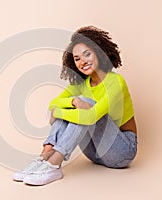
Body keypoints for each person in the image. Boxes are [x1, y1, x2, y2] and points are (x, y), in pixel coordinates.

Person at [13, 26, 138, 186]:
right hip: (94, 153)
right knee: (74, 104)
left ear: (99, 52)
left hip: (122, 152)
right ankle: (44, 157)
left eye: (87, 54)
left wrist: (58, 113)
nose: (83, 61)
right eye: (77, 58)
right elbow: (53, 104)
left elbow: (91, 116)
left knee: (88, 105)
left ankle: (54, 164)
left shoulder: (115, 82)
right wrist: (71, 102)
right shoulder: (81, 83)